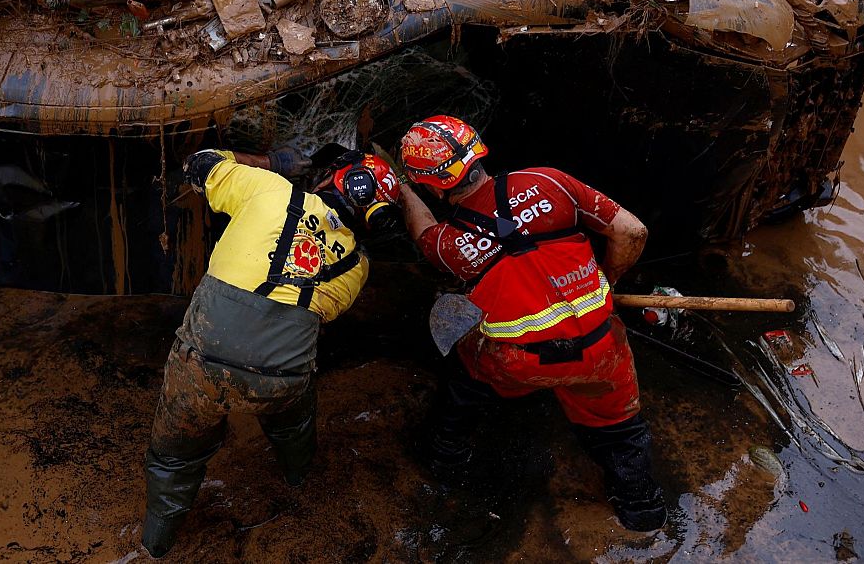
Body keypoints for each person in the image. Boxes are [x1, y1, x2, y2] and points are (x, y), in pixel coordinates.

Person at [391, 115, 666, 532]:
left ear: (434, 186)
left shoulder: (448, 246)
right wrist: (608, 280)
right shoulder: (550, 181)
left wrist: (403, 190)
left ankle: (445, 456)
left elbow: (423, 229)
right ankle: (643, 512)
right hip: (600, 347)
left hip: (520, 363)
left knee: (467, 375)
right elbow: (633, 231)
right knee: (620, 433)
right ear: (478, 152)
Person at [140, 147, 394, 558]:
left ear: (331, 179)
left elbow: (198, 163)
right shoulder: (357, 266)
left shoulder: (271, 189)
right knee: (295, 412)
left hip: (202, 362)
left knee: (175, 455)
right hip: (281, 380)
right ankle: (298, 476)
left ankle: (156, 543)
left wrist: (273, 163)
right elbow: (324, 314)